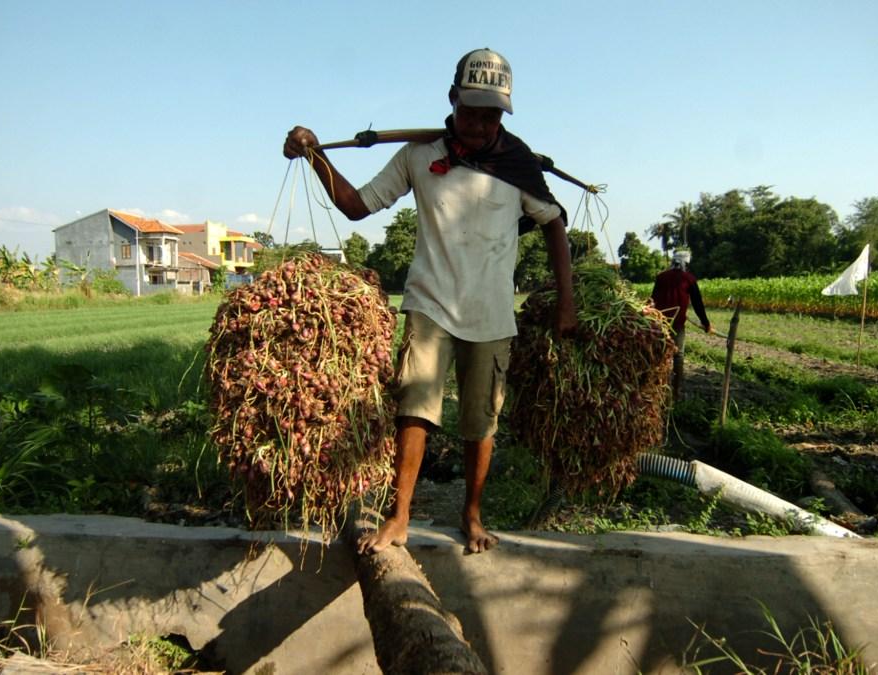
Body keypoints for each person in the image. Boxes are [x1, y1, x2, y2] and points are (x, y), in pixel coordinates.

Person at [283, 48, 577, 555]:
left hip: (490, 313)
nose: (481, 125)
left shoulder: (516, 163)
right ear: (452, 100)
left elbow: (553, 223)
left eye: (492, 115)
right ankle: (399, 517)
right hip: (430, 302)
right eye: (472, 112)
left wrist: (567, 303)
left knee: (481, 420)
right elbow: (357, 207)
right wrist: (315, 155)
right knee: (413, 409)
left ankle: (472, 513)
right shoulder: (419, 156)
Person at [650, 249, 712, 399]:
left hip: (658, 323)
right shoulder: (688, 278)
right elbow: (697, 303)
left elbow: (653, 299)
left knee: (659, 354)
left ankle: (656, 388)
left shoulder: (661, 277)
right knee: (678, 356)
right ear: (685, 264)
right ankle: (676, 391)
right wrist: (706, 323)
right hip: (676, 324)